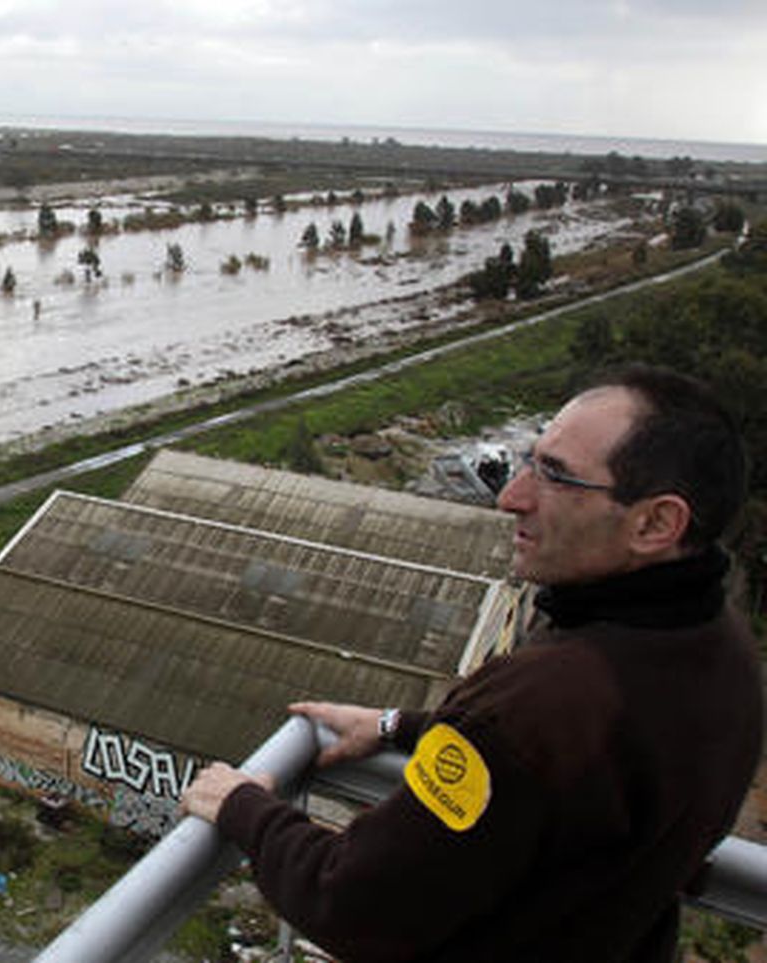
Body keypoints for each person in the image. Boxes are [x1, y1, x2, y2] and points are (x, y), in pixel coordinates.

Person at [181, 365, 762, 962]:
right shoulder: (724, 655)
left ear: (656, 523)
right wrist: (394, 728)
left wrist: (243, 807)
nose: (512, 497)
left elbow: (350, 902)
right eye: (531, 460)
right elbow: (550, 778)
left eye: (557, 476)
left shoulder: (543, 703)